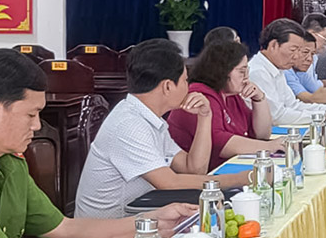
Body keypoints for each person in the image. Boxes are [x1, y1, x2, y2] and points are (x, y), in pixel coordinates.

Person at [0, 49, 196, 238]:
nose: (37, 125)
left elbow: (64, 229)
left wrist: (151, 220)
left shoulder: (11, 162)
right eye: (31, 114)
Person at [76, 39, 250, 219]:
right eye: (185, 80)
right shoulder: (129, 124)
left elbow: (193, 168)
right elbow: (169, 182)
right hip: (110, 226)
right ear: (167, 86)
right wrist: (238, 179)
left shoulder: (148, 117)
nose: (188, 87)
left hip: (140, 211)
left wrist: (205, 117)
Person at [168, 41, 284, 171]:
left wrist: (259, 99)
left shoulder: (231, 95)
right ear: (223, 71)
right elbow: (220, 143)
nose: (246, 77)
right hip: (202, 175)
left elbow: (262, 134)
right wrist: (269, 147)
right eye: (242, 71)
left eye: (247, 71)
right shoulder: (200, 97)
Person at [248, 19, 326, 125]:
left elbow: (293, 105)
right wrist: (323, 115)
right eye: (293, 50)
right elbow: (277, 117)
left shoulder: (278, 68)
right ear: (274, 45)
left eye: (299, 51)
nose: (296, 56)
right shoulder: (258, 72)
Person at [284, 34, 326, 104]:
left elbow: (318, 90)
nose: (310, 59)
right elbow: (309, 98)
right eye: (305, 52)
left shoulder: (300, 71)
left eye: (312, 54)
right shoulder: (286, 71)